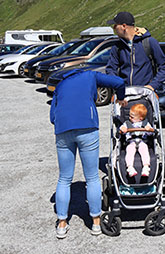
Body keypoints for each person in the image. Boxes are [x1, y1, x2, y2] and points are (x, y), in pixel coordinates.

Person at [50, 68, 127, 239]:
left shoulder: (61, 84)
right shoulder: (90, 75)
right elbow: (119, 82)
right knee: (91, 177)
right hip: (87, 127)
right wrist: (120, 98)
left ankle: (62, 224)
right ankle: (96, 223)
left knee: (64, 178)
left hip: (63, 131)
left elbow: (52, 117)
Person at [105, 11, 165, 92]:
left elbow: (164, 67)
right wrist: (117, 85)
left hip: (145, 94)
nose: (114, 28)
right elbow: (110, 69)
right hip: (125, 94)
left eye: (116, 25)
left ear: (124, 26)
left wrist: (152, 86)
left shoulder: (149, 42)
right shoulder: (117, 47)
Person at [119, 103, 155, 178]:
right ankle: (130, 168)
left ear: (141, 118)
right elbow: (121, 128)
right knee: (129, 152)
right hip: (131, 141)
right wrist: (122, 129)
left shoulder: (145, 123)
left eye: (132, 117)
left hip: (142, 141)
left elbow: (151, 133)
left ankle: (146, 167)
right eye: (129, 116)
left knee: (145, 151)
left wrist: (148, 130)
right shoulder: (127, 123)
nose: (129, 118)